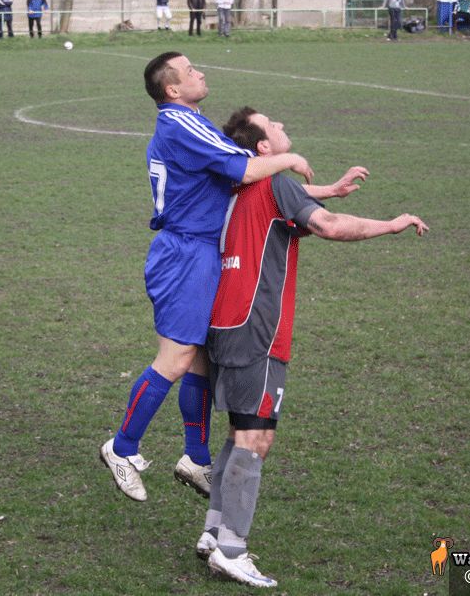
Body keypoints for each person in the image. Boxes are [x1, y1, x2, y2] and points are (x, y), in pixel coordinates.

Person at [196, 107, 429, 588]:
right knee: (255, 440)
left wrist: (329, 190)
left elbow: (291, 206)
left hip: (224, 325)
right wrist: (391, 224)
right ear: (263, 148)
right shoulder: (275, 181)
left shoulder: (239, 186)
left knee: (240, 433)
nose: (283, 126)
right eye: (273, 126)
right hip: (257, 331)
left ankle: (214, 532)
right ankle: (232, 550)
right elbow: (329, 226)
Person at [99, 53, 315, 503]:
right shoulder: (180, 123)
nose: (200, 72)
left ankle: (195, 457)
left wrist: (318, 193)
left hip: (202, 251)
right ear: (173, 90)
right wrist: (290, 158)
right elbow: (246, 170)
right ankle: (121, 448)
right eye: (190, 70)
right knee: (176, 359)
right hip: (184, 254)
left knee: (199, 360)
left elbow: (244, 184)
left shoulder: (193, 123)